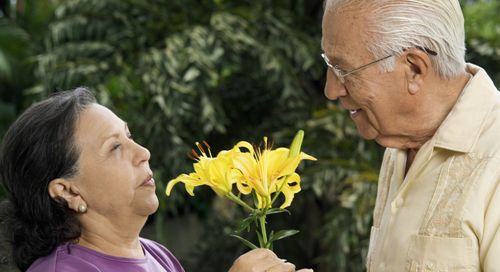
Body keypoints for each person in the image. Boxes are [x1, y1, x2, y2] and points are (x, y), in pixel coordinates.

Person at [230, 0, 500, 271]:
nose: (331, 89)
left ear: (415, 69)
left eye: (344, 69)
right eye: (328, 63)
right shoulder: (399, 146)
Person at [0, 88, 185, 271]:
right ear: (68, 192)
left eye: (129, 136)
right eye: (115, 147)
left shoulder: (159, 256)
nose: (144, 153)